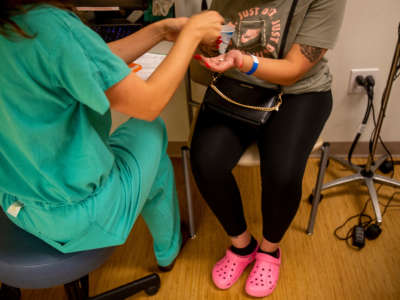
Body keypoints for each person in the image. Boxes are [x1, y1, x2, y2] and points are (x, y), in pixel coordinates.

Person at [0, 0, 224, 271]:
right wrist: (192, 35)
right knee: (150, 130)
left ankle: (169, 245)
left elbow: (83, 58)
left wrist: (161, 31)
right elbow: (148, 105)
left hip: (18, 206)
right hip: (77, 215)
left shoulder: (16, 24)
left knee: (150, 161)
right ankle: (167, 250)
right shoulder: (47, 24)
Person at [190, 0, 346, 297]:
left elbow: (293, 70)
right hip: (238, 84)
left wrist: (243, 61)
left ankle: (269, 251)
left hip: (299, 91)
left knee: (283, 174)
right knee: (206, 161)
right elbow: (221, 35)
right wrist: (208, 47)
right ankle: (242, 246)